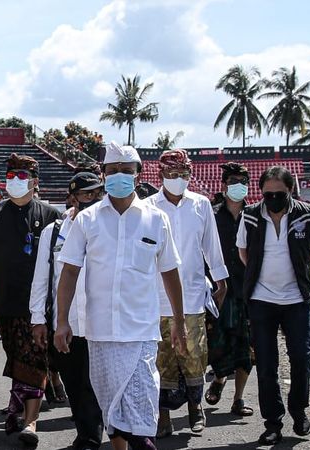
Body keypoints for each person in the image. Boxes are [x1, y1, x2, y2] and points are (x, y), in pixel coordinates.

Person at [55, 142, 186, 450]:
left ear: (138, 176)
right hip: (99, 332)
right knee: (112, 408)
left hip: (140, 332)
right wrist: (62, 321)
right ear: (103, 175)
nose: (119, 177)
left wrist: (179, 321)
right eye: (112, 171)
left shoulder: (156, 219)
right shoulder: (86, 220)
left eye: (126, 172)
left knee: (141, 410)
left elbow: (170, 271)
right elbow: (69, 272)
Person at [0, 153, 61, 445]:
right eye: (11, 176)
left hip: (38, 306)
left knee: (35, 360)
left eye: (22, 177)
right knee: (16, 358)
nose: (15, 181)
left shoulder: (51, 215)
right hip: (4, 302)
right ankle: (17, 408)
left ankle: (31, 422)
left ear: (35, 181)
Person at [145, 150, 228, 438]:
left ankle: (195, 407)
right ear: (160, 176)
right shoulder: (147, 207)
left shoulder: (200, 204)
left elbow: (211, 245)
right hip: (156, 298)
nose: (178, 180)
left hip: (192, 293)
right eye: (172, 174)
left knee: (194, 354)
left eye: (183, 174)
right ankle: (163, 415)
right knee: (161, 357)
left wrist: (220, 279)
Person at [236, 166, 310, 445]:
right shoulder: (249, 215)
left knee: (301, 357)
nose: (273, 198)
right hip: (261, 300)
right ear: (261, 193)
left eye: (279, 193)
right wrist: (263, 278)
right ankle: (273, 422)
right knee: (267, 364)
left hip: (296, 300)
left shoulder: (305, 214)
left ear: (290, 191)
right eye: (267, 194)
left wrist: (291, 274)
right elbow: (243, 252)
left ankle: (299, 412)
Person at [30, 171, 105, 450]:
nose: (94, 199)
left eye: (98, 193)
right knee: (76, 383)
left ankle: (115, 435)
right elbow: (41, 279)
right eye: (87, 194)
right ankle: (88, 436)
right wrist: (39, 319)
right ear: (73, 197)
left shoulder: (110, 227)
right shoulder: (54, 232)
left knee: (102, 383)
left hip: (103, 321)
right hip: (68, 322)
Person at [205, 162, 254, 417]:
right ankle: (220, 378)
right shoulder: (212, 216)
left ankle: (239, 398)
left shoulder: (256, 215)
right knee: (219, 343)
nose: (239, 186)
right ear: (224, 185)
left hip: (249, 291)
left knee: (247, 348)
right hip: (219, 291)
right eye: (234, 181)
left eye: (244, 182)